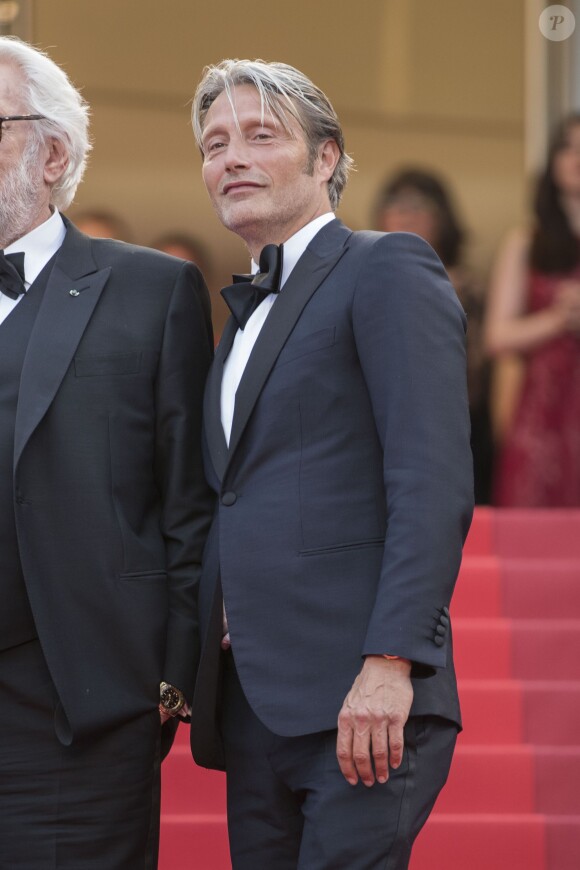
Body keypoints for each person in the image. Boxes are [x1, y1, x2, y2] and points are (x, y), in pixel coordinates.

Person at [188, 59, 473, 869]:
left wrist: (392, 662)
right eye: (215, 144)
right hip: (254, 705)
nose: (231, 157)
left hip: (363, 696)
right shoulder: (237, 320)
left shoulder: (386, 266)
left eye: (259, 136)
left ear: (326, 159)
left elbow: (431, 482)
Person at [0, 36, 213, 868]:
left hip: (78, 708)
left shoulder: (150, 292)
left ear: (51, 153)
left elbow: (188, 500)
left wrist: (168, 680)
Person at [375, 167, 494, 503]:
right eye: (395, 202)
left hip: (455, 430)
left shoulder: (469, 288)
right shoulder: (358, 279)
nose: (405, 213)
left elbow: (479, 376)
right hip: (376, 431)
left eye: (418, 204)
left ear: (443, 216)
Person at [485, 113, 580, 507]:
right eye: (569, 148)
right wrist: (560, 318)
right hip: (541, 414)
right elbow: (496, 336)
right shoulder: (526, 242)